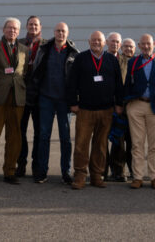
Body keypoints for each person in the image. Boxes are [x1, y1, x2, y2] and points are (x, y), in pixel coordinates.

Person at [67, 31, 123, 189]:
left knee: (101, 144)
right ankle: (79, 175)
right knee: (81, 144)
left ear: (104, 42)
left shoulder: (111, 59)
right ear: (88, 41)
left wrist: (119, 104)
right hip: (85, 109)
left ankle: (97, 175)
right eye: (93, 40)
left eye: (99, 40)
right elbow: (72, 82)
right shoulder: (81, 58)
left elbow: (119, 83)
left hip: (106, 110)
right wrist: (73, 103)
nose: (96, 43)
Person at [30, 22, 78, 184]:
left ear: (67, 33)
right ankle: (42, 171)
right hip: (46, 98)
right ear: (54, 32)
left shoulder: (73, 53)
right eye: (58, 31)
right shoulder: (44, 50)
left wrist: (75, 100)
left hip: (64, 101)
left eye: (63, 31)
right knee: (44, 136)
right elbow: (36, 71)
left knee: (65, 138)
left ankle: (66, 172)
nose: (60, 33)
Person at [0, 18, 28, 184]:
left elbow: (24, 73)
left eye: (15, 29)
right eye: (10, 28)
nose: (13, 31)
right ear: (3, 29)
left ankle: (10, 171)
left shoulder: (24, 49)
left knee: (15, 136)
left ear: (19, 31)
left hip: (17, 98)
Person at [124, 34, 155, 190]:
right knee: (137, 143)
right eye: (143, 44)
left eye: (148, 44)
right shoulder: (133, 62)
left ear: (154, 44)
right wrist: (128, 102)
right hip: (137, 105)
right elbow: (127, 84)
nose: (145, 46)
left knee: (154, 144)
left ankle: (154, 176)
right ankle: (137, 177)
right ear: (139, 45)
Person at [16, 15, 45, 178]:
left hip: (40, 95)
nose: (33, 27)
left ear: (40, 27)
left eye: (36, 24)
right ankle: (21, 164)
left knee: (39, 133)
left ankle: (36, 164)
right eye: (30, 24)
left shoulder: (46, 45)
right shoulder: (19, 43)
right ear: (27, 26)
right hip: (22, 94)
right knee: (20, 131)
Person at [107, 37, 135, 182]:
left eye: (131, 47)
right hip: (117, 107)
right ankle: (118, 171)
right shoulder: (118, 61)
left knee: (133, 142)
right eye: (126, 46)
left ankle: (134, 170)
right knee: (118, 140)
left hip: (132, 107)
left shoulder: (136, 62)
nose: (128, 49)